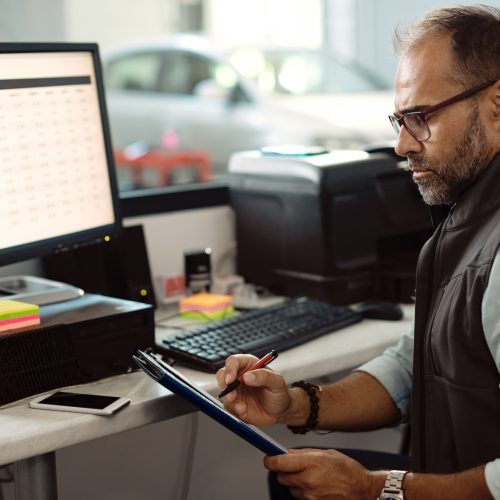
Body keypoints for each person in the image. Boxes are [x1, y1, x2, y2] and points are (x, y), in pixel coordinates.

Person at [217, 5, 500, 499]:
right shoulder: (471, 213)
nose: (400, 145)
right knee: (292, 480)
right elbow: (417, 367)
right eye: (399, 119)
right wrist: (297, 404)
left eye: (420, 117)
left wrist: (378, 489)